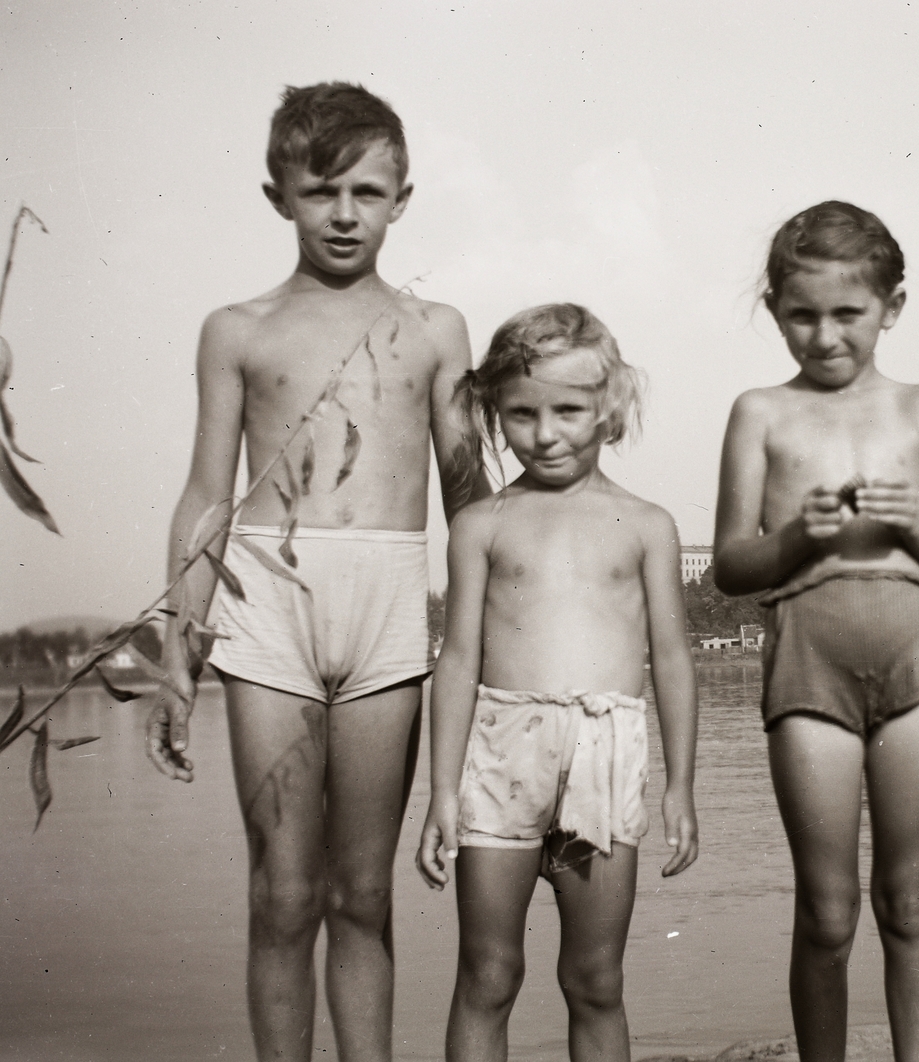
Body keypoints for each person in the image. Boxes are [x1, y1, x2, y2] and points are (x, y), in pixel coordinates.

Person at [145, 82, 486, 1062]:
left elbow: (468, 506)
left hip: (386, 615)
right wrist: (180, 647)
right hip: (266, 617)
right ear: (278, 196)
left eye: (368, 193)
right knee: (283, 894)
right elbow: (207, 492)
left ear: (403, 199)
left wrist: (487, 645)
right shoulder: (237, 330)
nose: (345, 214)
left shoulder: (435, 331)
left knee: (365, 893)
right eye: (321, 190)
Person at [713, 201, 919, 1062]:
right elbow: (730, 564)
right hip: (807, 661)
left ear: (891, 307)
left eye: (848, 314)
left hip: (915, 656)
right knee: (826, 910)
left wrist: (910, 526)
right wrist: (797, 537)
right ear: (773, 311)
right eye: (801, 314)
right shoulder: (759, 412)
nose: (824, 336)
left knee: (909, 900)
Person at [416, 303, 700, 1062]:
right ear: (495, 415)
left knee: (595, 978)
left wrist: (680, 786)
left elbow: (671, 657)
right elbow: (458, 661)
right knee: (488, 972)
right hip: (503, 752)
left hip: (606, 752)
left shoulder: (647, 524)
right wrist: (442, 793)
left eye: (569, 410)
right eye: (522, 414)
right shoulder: (482, 526)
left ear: (609, 408)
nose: (546, 434)